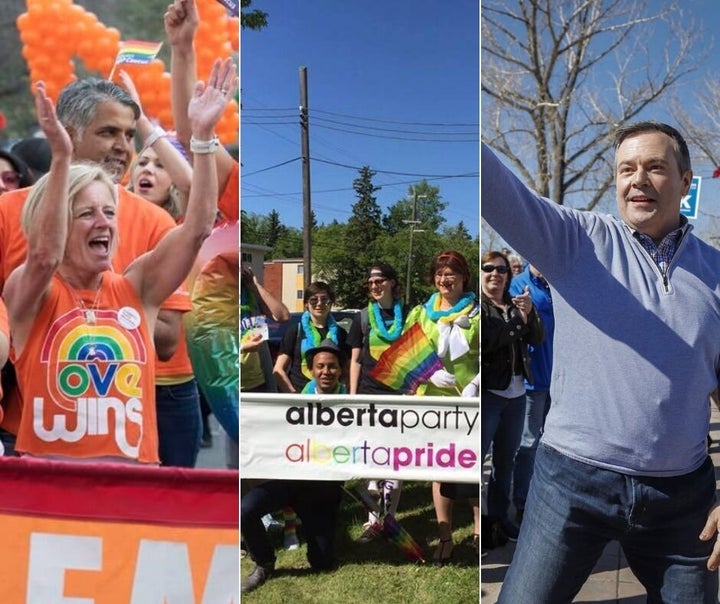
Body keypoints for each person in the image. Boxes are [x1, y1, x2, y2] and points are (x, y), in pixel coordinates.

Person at [482, 124, 720, 602]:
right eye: (626, 169)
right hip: (571, 484)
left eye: (655, 167)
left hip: (682, 498)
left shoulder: (715, 272)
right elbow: (496, 187)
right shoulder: (575, 241)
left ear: (687, 181)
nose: (639, 180)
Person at [4, 62, 235, 463]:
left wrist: (201, 137)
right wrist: (61, 158)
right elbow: (45, 256)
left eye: (110, 213)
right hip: (46, 485)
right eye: (88, 214)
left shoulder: (135, 287)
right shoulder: (32, 294)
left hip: (131, 487)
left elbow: (198, 227)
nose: (105, 224)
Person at [121, 69, 202, 467]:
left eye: (159, 164)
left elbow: (193, 184)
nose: (147, 170)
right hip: (116, 384)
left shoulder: (182, 225)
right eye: (142, 163)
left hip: (171, 386)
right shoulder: (107, 214)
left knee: (178, 499)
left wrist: (141, 121)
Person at [241, 339, 346, 593]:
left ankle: (318, 541)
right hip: (288, 480)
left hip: (322, 490)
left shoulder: (352, 404)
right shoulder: (292, 403)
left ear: (340, 370)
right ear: (311, 370)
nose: (326, 372)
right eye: (320, 366)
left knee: (321, 562)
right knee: (244, 510)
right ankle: (264, 562)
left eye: (332, 367)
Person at [403, 250, 480, 564]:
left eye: (451, 274)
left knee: (472, 467)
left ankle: (477, 533)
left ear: (463, 277)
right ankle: (445, 538)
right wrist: (429, 372)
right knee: (440, 468)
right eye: (439, 274)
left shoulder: (478, 312)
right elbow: (408, 353)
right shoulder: (421, 313)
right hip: (432, 401)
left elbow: (493, 355)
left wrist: (476, 382)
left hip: (470, 401)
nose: (444, 280)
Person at [480, 250, 544, 545]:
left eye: (501, 270)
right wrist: (519, 320)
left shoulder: (514, 303)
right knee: (477, 460)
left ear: (508, 276)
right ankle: (479, 522)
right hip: (490, 394)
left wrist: (529, 314)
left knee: (505, 463)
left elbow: (537, 338)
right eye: (488, 269)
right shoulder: (478, 308)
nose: (495, 274)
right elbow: (491, 342)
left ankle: (499, 517)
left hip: (518, 394)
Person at [349, 262, 406, 542]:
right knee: (370, 460)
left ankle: (390, 518)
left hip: (399, 396)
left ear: (392, 282)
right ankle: (372, 520)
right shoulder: (361, 317)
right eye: (370, 282)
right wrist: (352, 395)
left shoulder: (408, 314)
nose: (374, 286)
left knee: (396, 460)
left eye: (379, 280)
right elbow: (355, 359)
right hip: (369, 395)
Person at [509, 262, 554, 524]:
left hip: (558, 381)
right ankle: (523, 503)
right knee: (527, 444)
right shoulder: (518, 284)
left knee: (553, 445)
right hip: (532, 383)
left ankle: (546, 499)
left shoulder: (557, 281)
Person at [273, 282, 356, 393]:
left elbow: (348, 370)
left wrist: (343, 392)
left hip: (333, 399)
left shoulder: (341, 333)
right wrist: (293, 396)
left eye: (324, 300)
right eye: (313, 300)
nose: (319, 303)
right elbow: (278, 369)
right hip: (300, 398)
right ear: (306, 304)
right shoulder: (295, 331)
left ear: (331, 303)